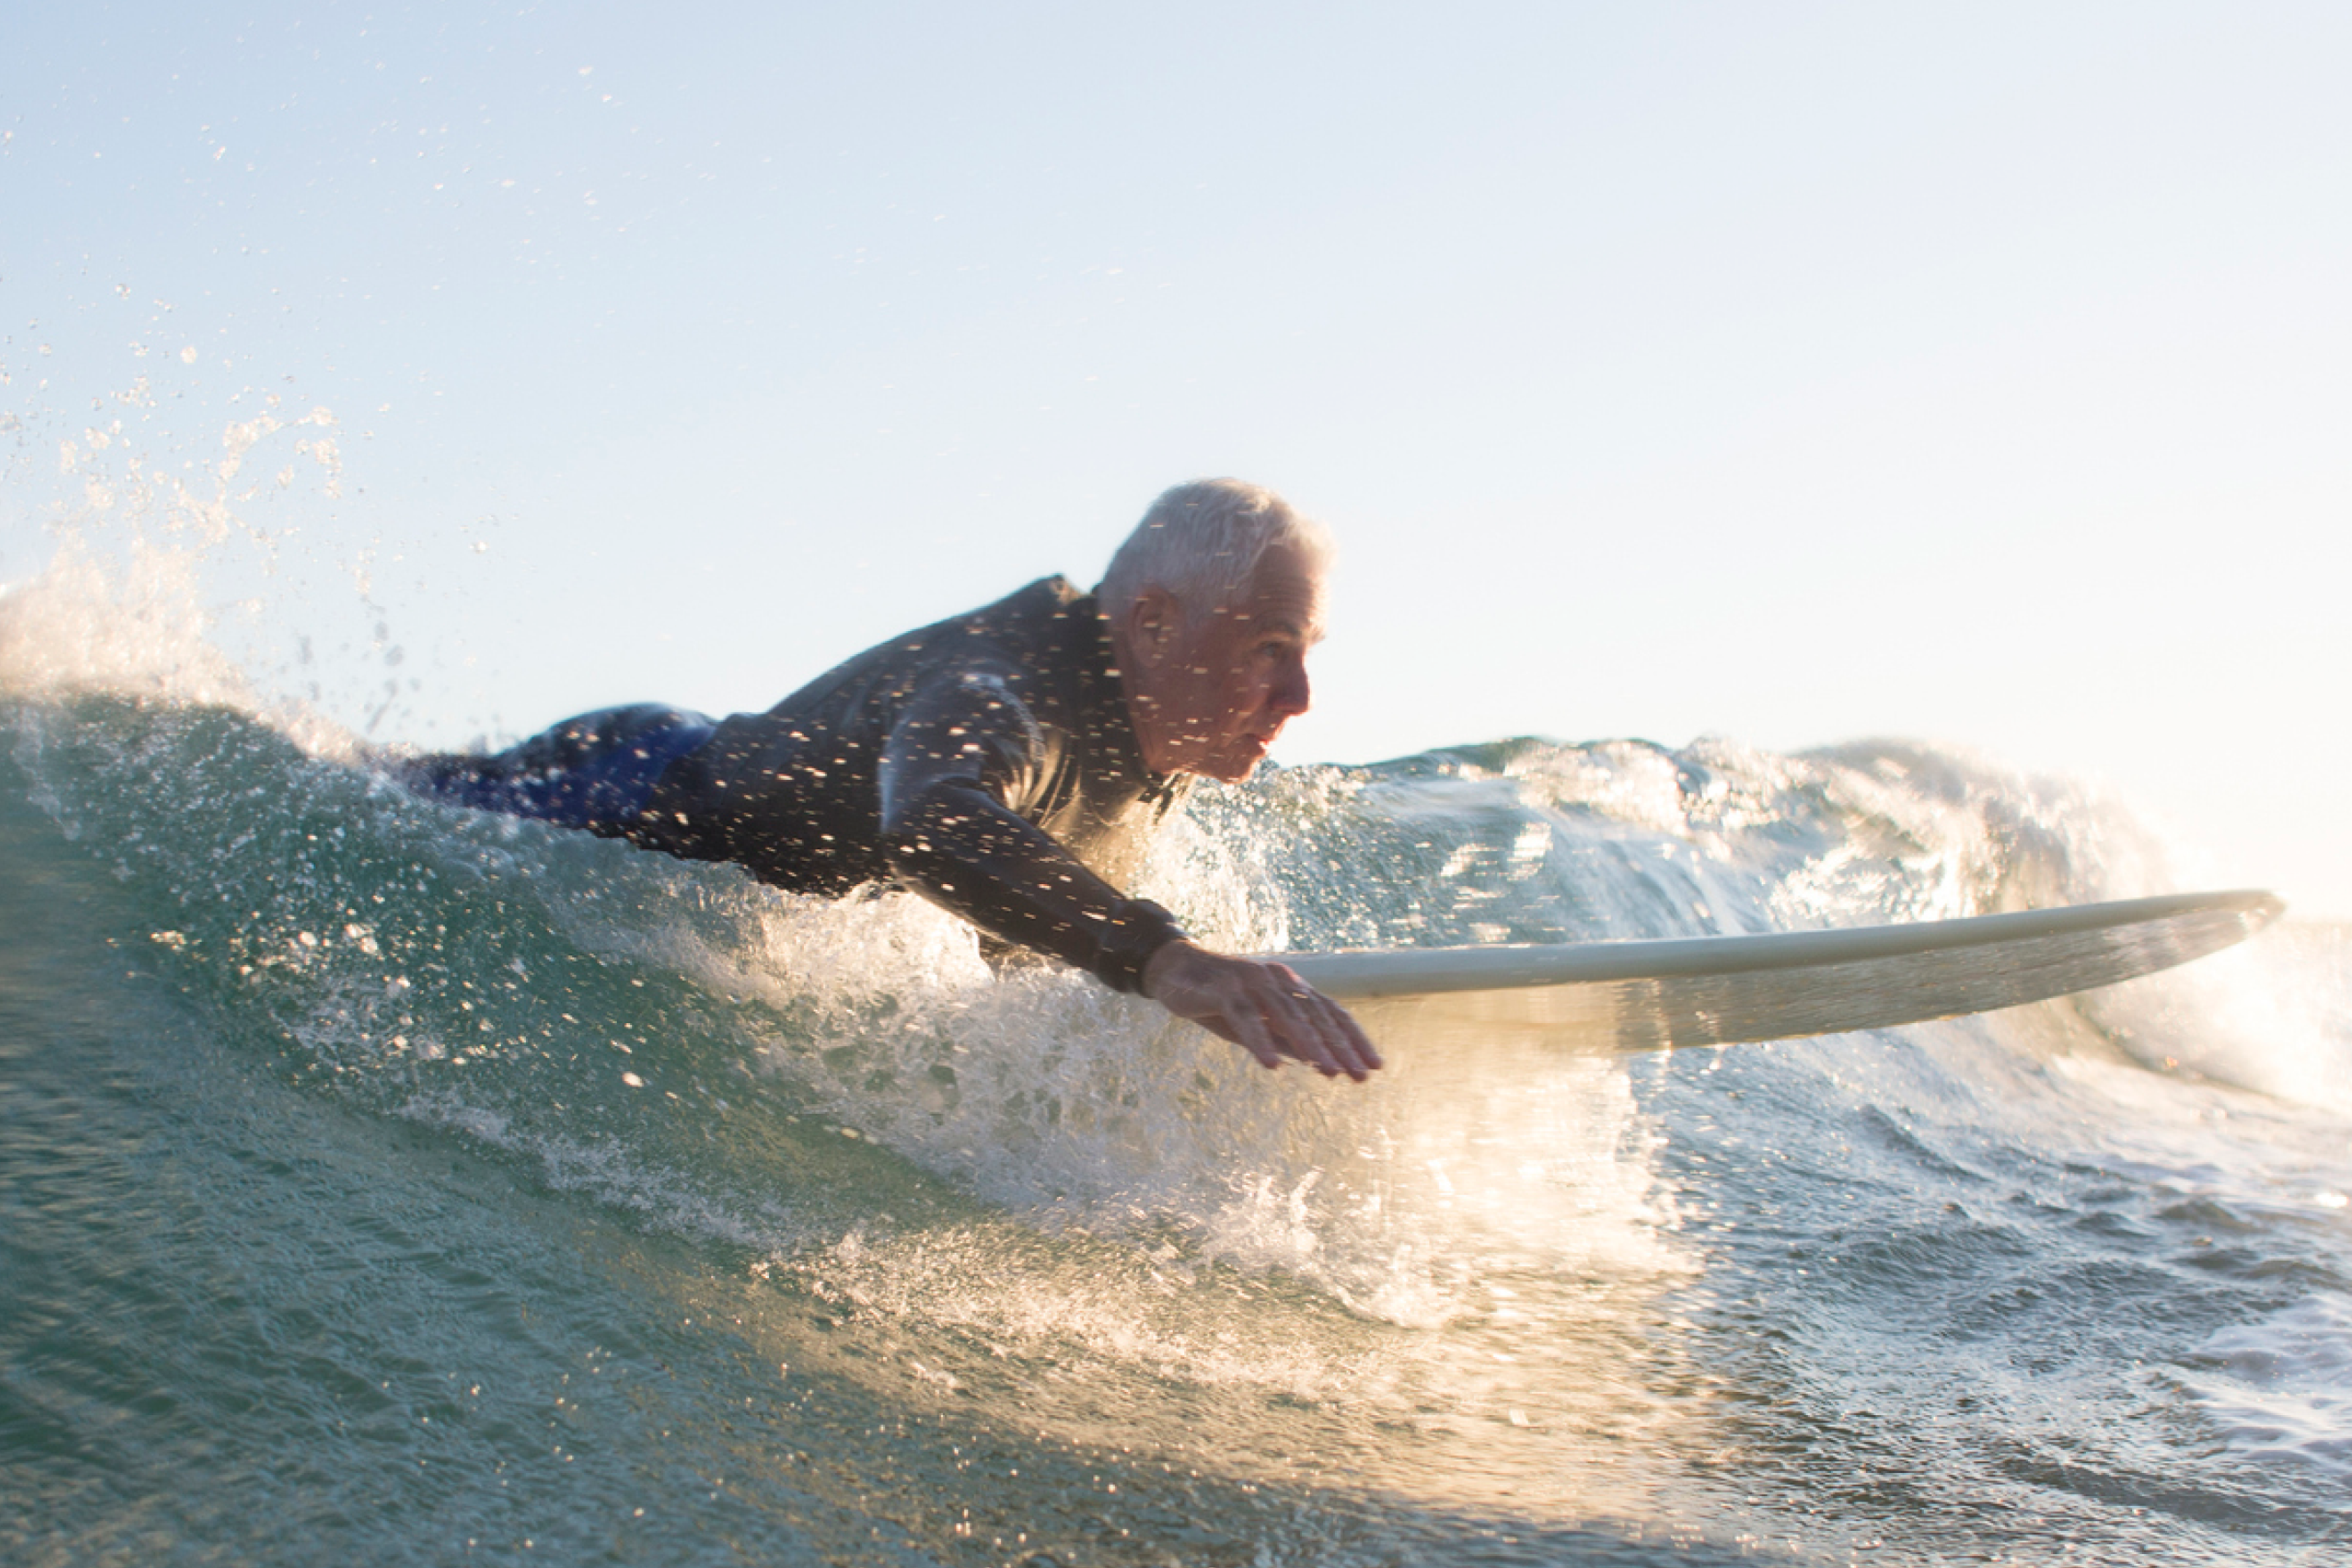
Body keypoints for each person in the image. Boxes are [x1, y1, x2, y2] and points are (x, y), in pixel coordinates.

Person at [398, 479, 1381, 1082]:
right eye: (1266, 647)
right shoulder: (1006, 689)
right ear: (1155, 622)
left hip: (728, 758)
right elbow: (933, 828)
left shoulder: (1169, 734)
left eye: (1307, 652)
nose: (1296, 695)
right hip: (631, 790)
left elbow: (1018, 907)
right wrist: (1165, 960)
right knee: (376, 794)